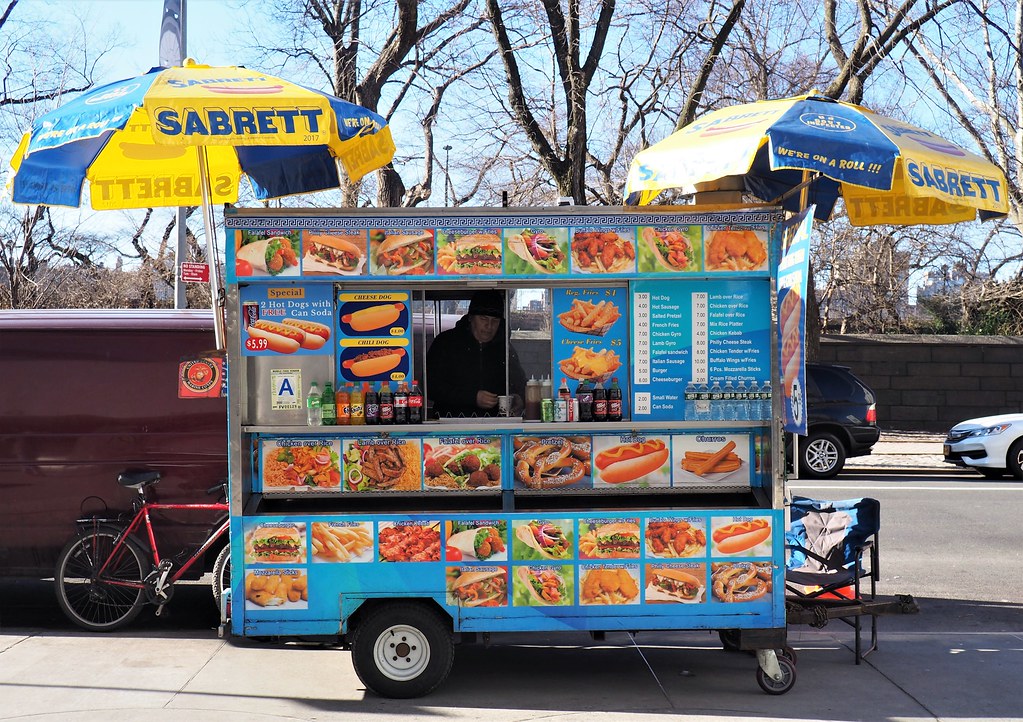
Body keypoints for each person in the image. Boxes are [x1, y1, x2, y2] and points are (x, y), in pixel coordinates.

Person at [426, 289, 527, 418]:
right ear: (470, 318)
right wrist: (472, 397)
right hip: (450, 423)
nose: (489, 326)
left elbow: (520, 383)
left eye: (495, 320)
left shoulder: (504, 348)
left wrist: (519, 398)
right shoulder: (445, 343)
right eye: (483, 318)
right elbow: (430, 387)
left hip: (496, 424)